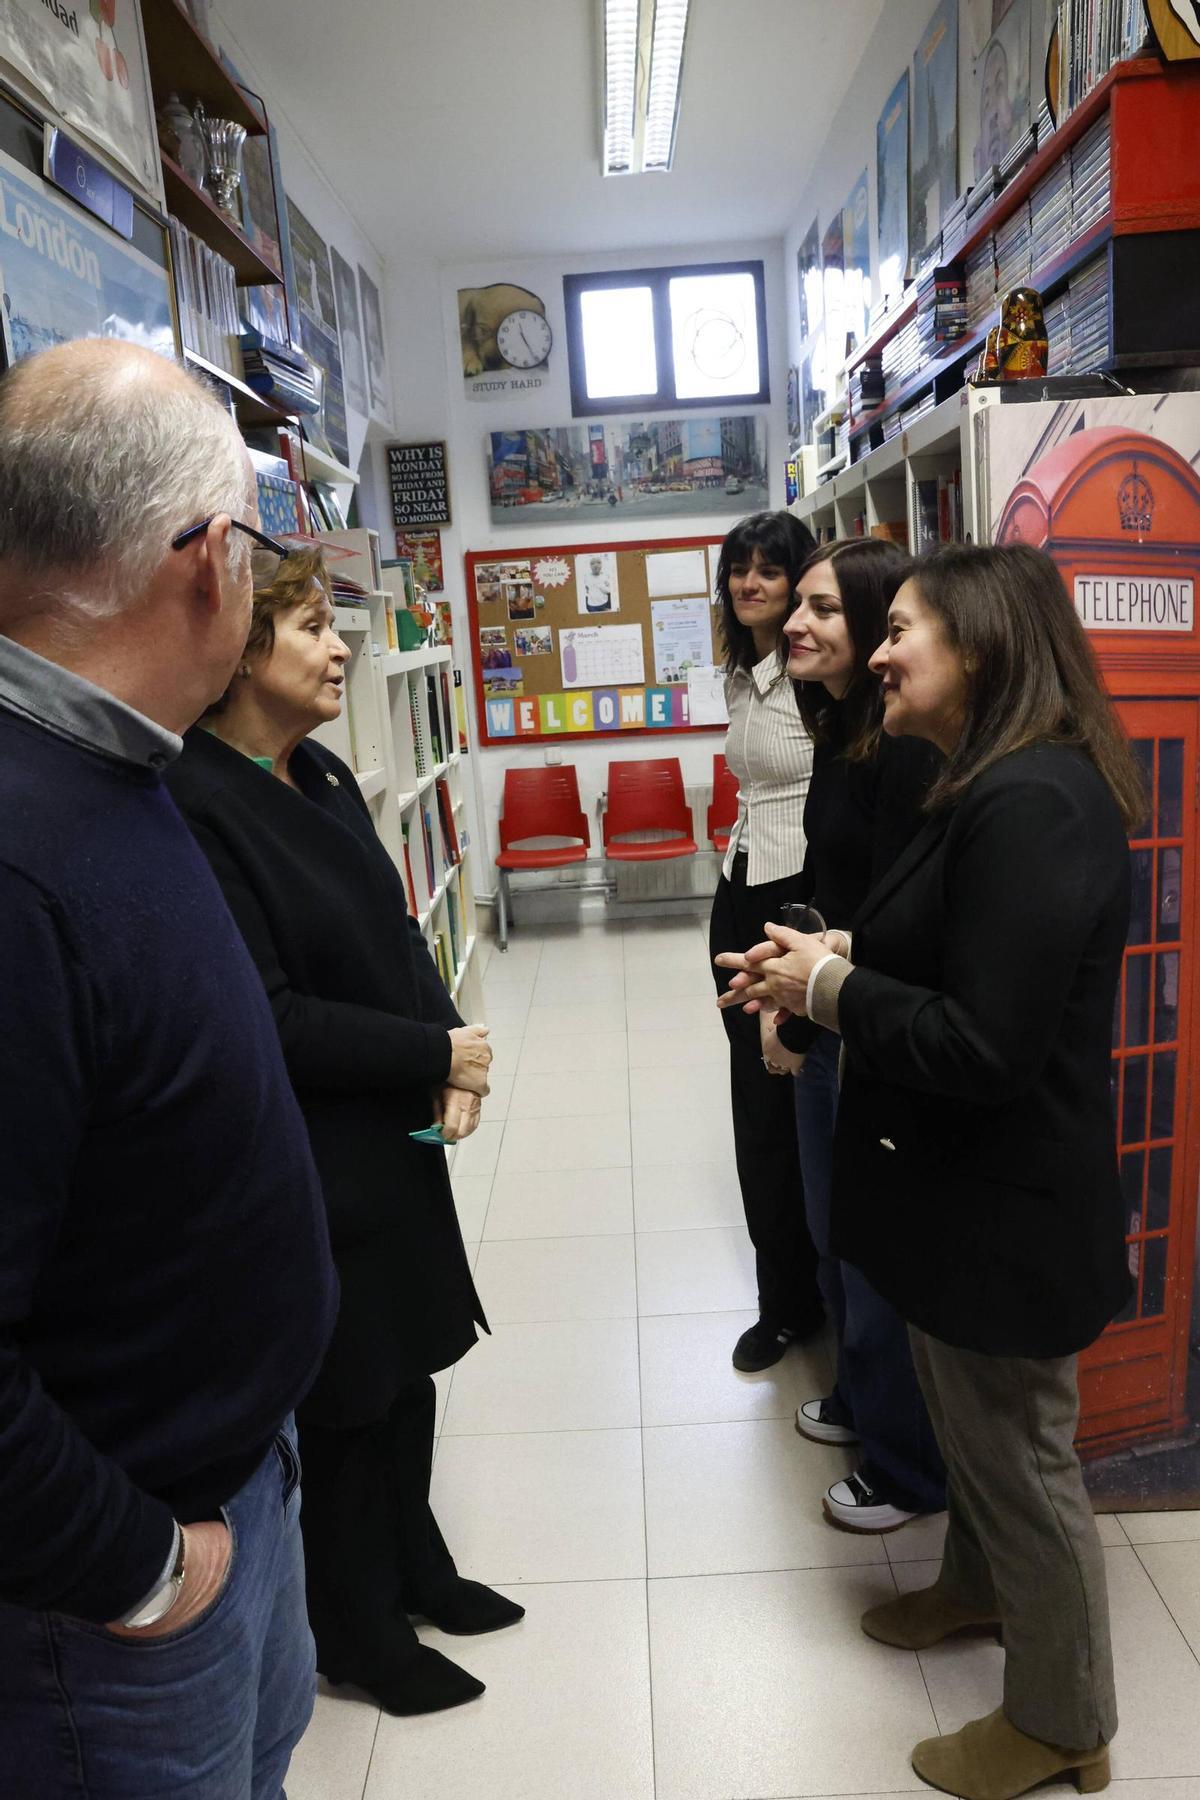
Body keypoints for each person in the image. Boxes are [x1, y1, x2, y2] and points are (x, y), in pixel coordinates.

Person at [720, 543, 1139, 1800]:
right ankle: (974, 1585)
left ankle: (1065, 1717)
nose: (878, 648)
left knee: (1023, 1459)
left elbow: (988, 1041)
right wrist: (827, 952)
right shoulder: (978, 781)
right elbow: (949, 952)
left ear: (983, 647)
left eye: (900, 627)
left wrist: (831, 988)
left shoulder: (1036, 802)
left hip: (1008, 1207)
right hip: (955, 1199)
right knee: (970, 1430)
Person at [0, 340, 337, 1797]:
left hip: (240, 1479)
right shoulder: (19, 856)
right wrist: (142, 1572)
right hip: (121, 1595)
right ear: (208, 562)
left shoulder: (122, 769)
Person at [166, 548, 522, 1719]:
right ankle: (359, 1630)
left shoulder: (314, 771)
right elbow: (271, 1016)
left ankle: (419, 1569)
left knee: (409, 1369)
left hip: (390, 1136)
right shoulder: (199, 804)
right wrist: (432, 1056)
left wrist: (451, 1041)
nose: (341, 650)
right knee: (351, 1396)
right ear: (239, 650)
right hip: (315, 1158)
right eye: (315, 629)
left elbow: (389, 928)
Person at [721, 537, 947, 1531]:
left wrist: (809, 1012)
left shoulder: (899, 749)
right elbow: (834, 887)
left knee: (869, 1244)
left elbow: (899, 915)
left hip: (864, 1014)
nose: (796, 624)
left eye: (825, 610)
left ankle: (902, 1465)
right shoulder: (839, 729)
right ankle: (861, 1401)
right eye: (793, 605)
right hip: (827, 995)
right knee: (831, 1225)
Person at [707, 510, 824, 1371]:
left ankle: (807, 1298)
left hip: (796, 902)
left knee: (797, 1106)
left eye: (769, 571)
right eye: (740, 569)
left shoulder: (811, 679)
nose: (751, 583)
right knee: (758, 1107)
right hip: (740, 890)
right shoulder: (741, 677)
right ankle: (782, 1299)